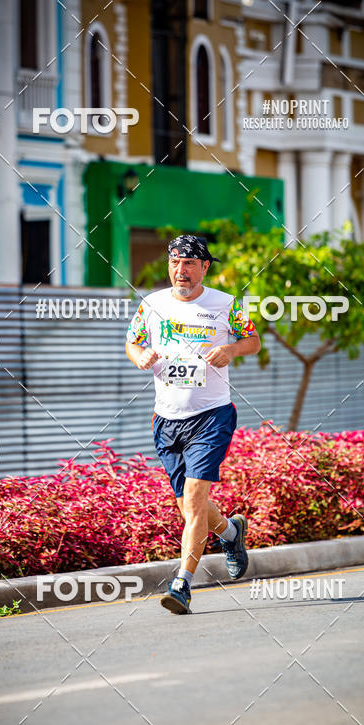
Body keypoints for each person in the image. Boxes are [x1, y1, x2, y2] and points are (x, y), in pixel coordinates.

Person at [125, 234, 261, 615]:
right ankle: (232, 534)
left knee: (196, 496)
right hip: (166, 420)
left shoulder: (224, 304)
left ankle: (182, 583)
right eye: (174, 262)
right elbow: (132, 342)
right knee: (189, 505)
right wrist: (139, 355)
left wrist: (232, 348)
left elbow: (253, 341)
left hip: (212, 415)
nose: (180, 270)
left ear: (204, 267)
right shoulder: (152, 305)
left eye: (189, 263)